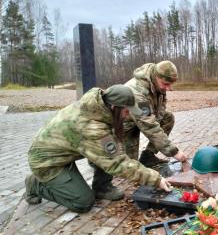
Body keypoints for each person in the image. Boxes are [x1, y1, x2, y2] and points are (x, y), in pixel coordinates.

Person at [25, 84, 173, 213]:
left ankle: (102, 187)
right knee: (83, 202)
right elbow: (116, 163)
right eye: (126, 110)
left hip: (63, 153)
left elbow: (112, 149)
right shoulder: (93, 128)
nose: (128, 115)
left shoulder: (99, 108)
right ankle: (35, 184)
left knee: (108, 151)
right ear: (115, 107)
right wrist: (155, 179)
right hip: (47, 163)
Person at [123, 60, 187, 167]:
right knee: (128, 167)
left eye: (170, 84)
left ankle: (148, 156)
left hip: (141, 121)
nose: (168, 88)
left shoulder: (157, 85)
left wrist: (158, 138)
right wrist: (173, 151)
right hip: (124, 126)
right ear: (156, 77)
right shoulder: (137, 91)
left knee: (168, 118)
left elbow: (159, 112)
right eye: (166, 84)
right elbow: (149, 125)